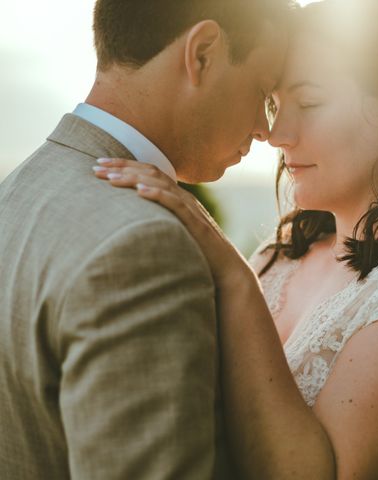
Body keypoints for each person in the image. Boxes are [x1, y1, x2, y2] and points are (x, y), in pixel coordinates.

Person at [94, 0, 378, 478]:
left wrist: (230, 274)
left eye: (308, 103)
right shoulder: (281, 255)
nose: (277, 134)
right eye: (275, 103)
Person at [0, 0, 288, 478]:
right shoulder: (142, 246)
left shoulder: (17, 191)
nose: (265, 129)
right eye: (262, 91)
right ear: (202, 54)